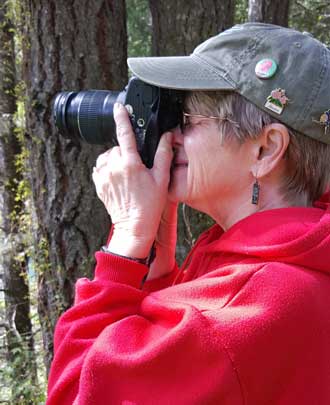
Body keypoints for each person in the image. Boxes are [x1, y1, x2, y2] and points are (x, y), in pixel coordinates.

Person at [47, 23, 330, 405]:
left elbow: (76, 394)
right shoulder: (294, 263)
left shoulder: (247, 308)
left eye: (187, 121)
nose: (169, 137)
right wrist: (159, 274)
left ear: (265, 150)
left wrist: (126, 246)